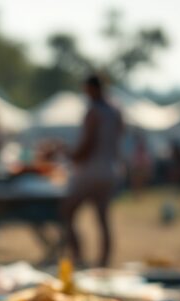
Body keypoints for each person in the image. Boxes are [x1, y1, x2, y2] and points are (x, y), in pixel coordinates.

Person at [62, 74, 124, 267]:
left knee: (67, 211)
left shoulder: (94, 112)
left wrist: (68, 154)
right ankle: (103, 261)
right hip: (111, 169)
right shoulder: (116, 110)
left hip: (92, 171)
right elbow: (119, 136)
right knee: (102, 217)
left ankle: (78, 257)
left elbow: (87, 146)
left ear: (94, 88)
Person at [128, 132, 151, 199]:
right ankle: (137, 195)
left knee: (140, 183)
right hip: (137, 167)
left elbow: (146, 158)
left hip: (140, 167)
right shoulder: (135, 147)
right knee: (136, 183)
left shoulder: (141, 147)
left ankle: (139, 195)